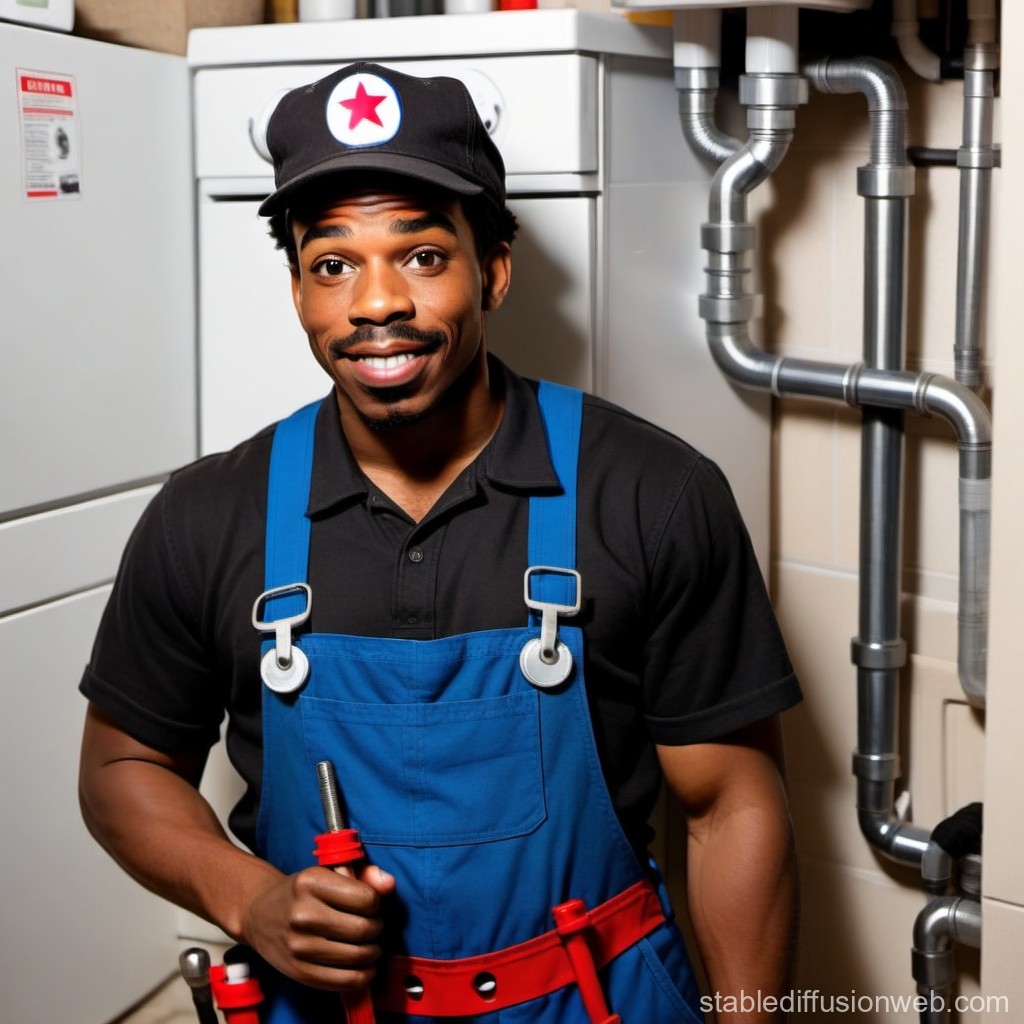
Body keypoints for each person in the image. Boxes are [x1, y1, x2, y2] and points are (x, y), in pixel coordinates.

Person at [79, 61, 801, 1024]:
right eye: (332, 263)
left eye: (421, 255)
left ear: (493, 266)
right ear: (297, 290)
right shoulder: (209, 515)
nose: (376, 304)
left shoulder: (653, 495)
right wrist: (246, 896)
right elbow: (123, 767)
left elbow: (730, 805)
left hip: (599, 1000)